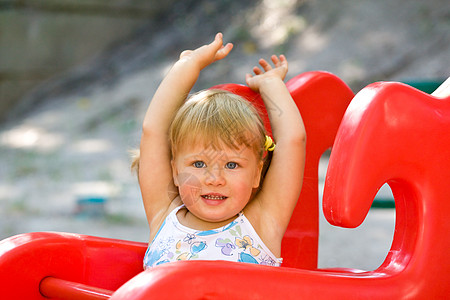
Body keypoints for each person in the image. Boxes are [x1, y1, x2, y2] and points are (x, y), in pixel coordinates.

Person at [132, 33, 306, 268]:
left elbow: (292, 141)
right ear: (174, 170)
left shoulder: (261, 223)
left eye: (232, 165)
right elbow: (153, 131)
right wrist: (188, 65)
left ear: (256, 173)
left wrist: (271, 84)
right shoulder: (164, 215)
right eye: (199, 164)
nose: (215, 179)